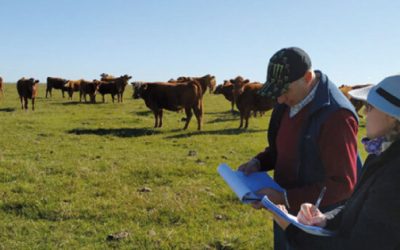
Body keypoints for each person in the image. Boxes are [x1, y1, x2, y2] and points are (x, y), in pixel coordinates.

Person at [238, 47, 360, 250]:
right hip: (284, 211)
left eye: (284, 91)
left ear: (307, 77)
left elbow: (343, 184)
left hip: (315, 221)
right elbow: (281, 148)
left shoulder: (336, 116)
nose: (279, 99)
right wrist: (259, 162)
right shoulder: (287, 102)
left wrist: (285, 197)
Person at [270, 75, 400, 249]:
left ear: (392, 117)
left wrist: (292, 231)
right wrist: (326, 219)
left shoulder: (393, 177)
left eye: (370, 107)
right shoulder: (380, 153)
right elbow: (357, 205)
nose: (364, 114)